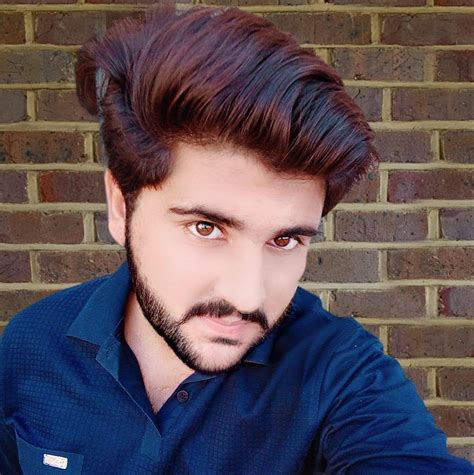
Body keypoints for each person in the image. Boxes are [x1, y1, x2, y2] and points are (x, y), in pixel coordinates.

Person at [1, 5, 472, 474]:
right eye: (206, 228)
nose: (248, 297)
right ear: (121, 206)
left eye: (285, 241)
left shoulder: (341, 373)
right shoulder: (30, 347)